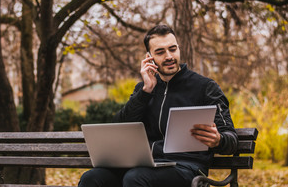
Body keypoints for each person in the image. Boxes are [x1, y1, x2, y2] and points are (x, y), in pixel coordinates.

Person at [79, 24, 238, 187]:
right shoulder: (143, 90)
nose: (169, 56)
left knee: (135, 178)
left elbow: (231, 139)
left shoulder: (205, 87)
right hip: (145, 165)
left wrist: (219, 140)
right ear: (149, 57)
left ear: (179, 49)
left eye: (173, 49)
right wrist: (145, 92)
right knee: (92, 178)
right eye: (160, 52)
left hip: (186, 168)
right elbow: (119, 127)